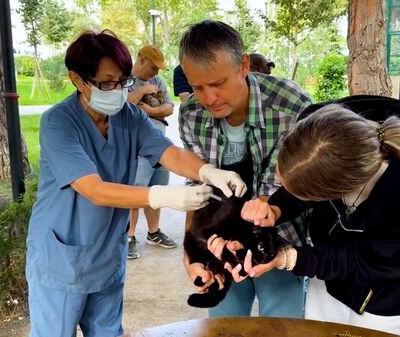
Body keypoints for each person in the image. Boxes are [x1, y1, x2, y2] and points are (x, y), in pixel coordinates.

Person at [25, 30, 246, 337]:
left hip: (106, 255)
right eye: (106, 83)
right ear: (77, 80)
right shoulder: (59, 123)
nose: (116, 90)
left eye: (122, 80)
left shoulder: (129, 117)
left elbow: (169, 153)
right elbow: (94, 189)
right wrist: (161, 196)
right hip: (62, 259)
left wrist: (208, 171)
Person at [222, 100, 400, 336]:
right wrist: (275, 208)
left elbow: (366, 263)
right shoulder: (322, 131)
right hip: (330, 271)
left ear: (339, 191)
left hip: (387, 290)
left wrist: (287, 258)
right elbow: (306, 178)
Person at [178, 20, 312, 318]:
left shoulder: (293, 106)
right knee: (224, 322)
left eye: (217, 84)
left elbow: (275, 191)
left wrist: (256, 245)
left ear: (243, 65)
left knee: (281, 324)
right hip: (220, 239)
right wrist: (192, 252)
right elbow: (197, 189)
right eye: (197, 87)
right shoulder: (191, 114)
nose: (208, 98)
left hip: (279, 237)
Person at [126, 45, 176, 259]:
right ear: (142, 60)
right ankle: (128, 236)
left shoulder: (158, 82)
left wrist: (151, 111)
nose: (155, 73)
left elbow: (170, 108)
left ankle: (153, 232)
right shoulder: (125, 80)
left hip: (160, 144)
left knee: (157, 192)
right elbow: (124, 105)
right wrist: (142, 92)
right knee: (135, 193)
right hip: (138, 147)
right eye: (153, 67)